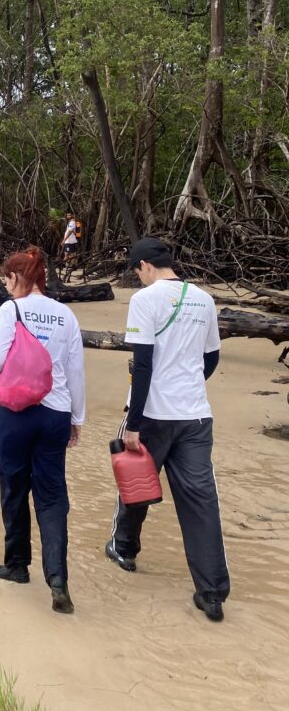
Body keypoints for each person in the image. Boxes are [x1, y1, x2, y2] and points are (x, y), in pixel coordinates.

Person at [105, 237, 230, 622]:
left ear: (143, 266)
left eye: (135, 271)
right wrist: (187, 382)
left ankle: (124, 548)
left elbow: (142, 365)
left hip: (155, 414)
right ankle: (211, 594)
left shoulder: (145, 300)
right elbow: (211, 358)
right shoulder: (204, 299)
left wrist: (135, 422)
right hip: (194, 415)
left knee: (136, 482)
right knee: (201, 501)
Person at [0, 245, 86, 614]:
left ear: (19, 276)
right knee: (52, 494)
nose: (7, 285)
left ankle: (16, 566)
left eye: (8, 278)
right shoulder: (66, 315)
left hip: (15, 413)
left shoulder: (10, 310)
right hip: (55, 413)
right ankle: (58, 580)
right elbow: (75, 371)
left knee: (13, 486)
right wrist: (77, 418)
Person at [61, 213, 79, 281]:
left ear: (72, 216)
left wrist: (64, 240)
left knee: (70, 254)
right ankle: (67, 265)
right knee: (67, 253)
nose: (68, 216)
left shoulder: (72, 222)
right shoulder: (70, 222)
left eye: (69, 215)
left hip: (70, 241)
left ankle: (70, 266)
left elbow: (70, 232)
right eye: (67, 215)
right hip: (68, 241)